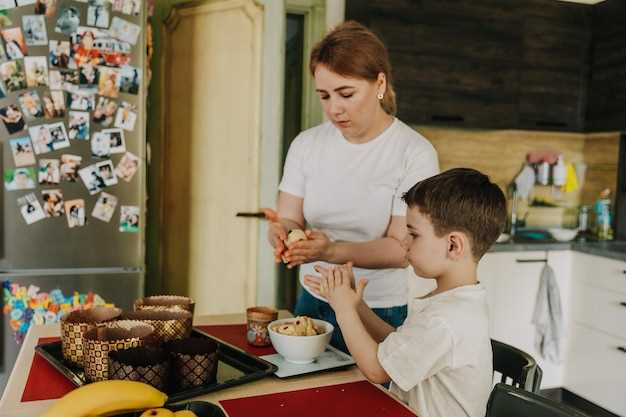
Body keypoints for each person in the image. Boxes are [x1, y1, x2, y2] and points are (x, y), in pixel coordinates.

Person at [265, 21, 439, 352]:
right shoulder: (306, 144)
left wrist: (331, 250)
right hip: (311, 300)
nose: (334, 109)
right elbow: (289, 218)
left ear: (379, 83)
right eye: (324, 96)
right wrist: (282, 234)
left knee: (369, 400)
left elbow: (401, 249)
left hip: (375, 307)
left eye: (346, 94)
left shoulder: (414, 153)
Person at [305, 168, 507, 417]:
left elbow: (378, 370)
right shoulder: (454, 303)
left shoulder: (444, 319)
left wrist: (344, 309)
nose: (404, 242)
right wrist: (357, 306)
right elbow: (398, 347)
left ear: (453, 245)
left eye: (413, 234)